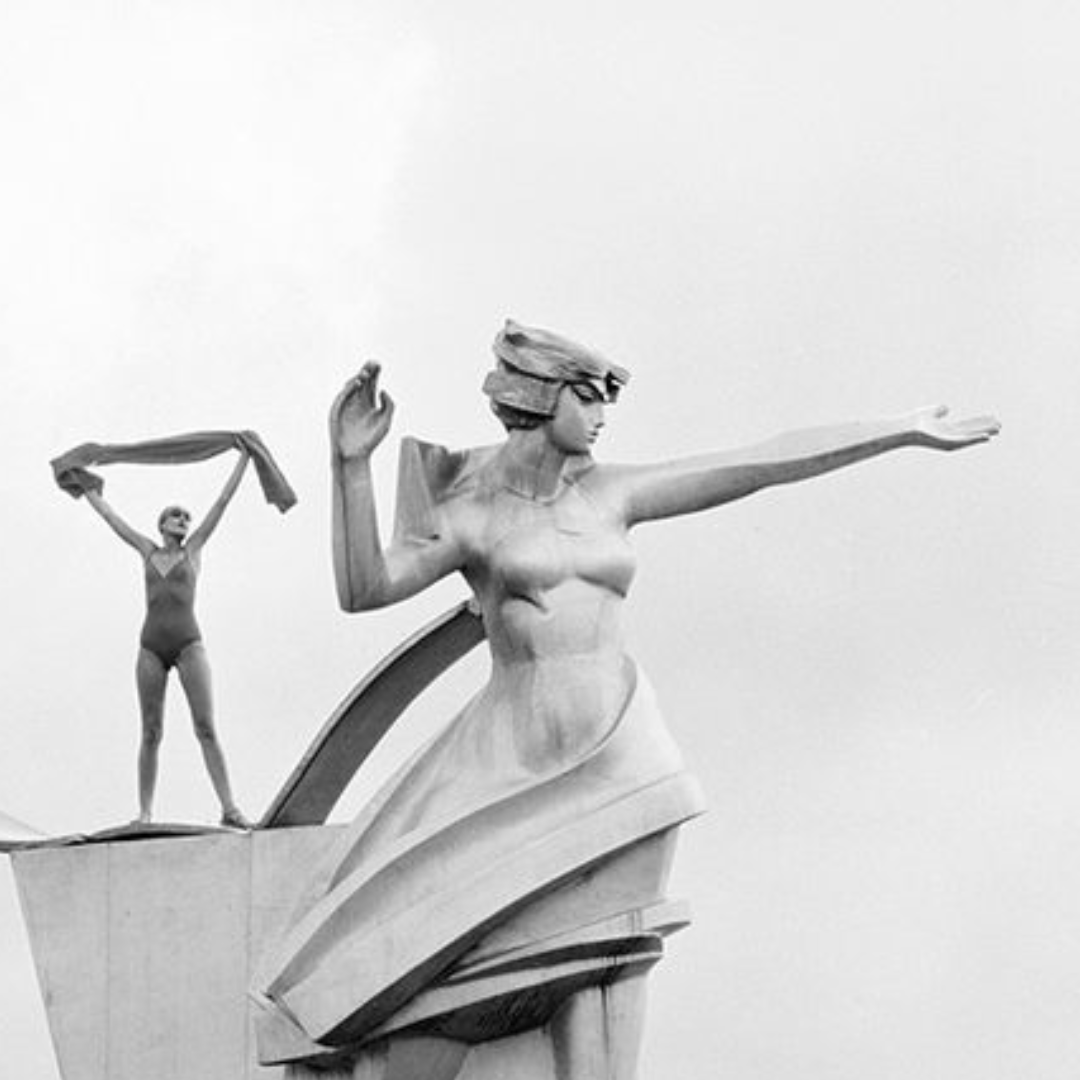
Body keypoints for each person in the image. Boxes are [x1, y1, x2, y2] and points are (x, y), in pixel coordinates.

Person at [254, 320, 1000, 1076]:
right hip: (511, 772)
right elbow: (366, 589)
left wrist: (898, 431)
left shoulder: (612, 493)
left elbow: (754, 464)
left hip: (619, 756)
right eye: (591, 396)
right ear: (545, 398)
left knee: (611, 953)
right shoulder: (473, 514)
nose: (604, 415)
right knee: (440, 983)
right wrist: (350, 469)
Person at [83, 449, 252, 828]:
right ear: (161, 524)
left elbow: (222, 503)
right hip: (150, 649)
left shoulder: (193, 551)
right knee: (151, 730)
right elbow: (111, 517)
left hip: (189, 643)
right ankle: (144, 812)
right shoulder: (147, 550)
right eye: (175, 514)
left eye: (187, 517)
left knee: (205, 726)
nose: (183, 520)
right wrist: (84, 486)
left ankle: (229, 807)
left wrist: (244, 459)